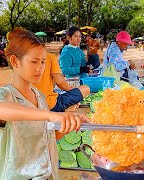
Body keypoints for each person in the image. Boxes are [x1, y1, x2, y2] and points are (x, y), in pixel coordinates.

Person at [0, 28, 88, 179]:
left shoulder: (39, 96)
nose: (40, 68)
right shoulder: (6, 95)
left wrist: (69, 120)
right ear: (15, 61)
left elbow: (48, 136)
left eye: (43, 62)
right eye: (34, 62)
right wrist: (51, 115)